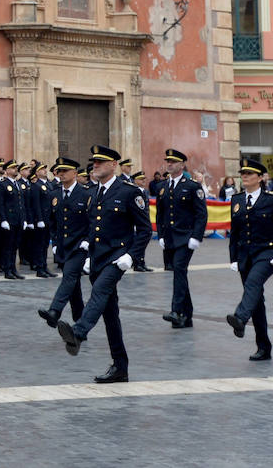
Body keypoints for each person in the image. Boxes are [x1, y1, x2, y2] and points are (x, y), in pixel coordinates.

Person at [54, 145, 151, 383]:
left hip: (116, 259)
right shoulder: (95, 192)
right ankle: (120, 367)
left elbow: (145, 229)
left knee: (99, 291)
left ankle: (78, 332)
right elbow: (94, 227)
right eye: (93, 162)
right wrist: (88, 254)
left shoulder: (129, 191)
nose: (94, 165)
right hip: (98, 259)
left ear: (113, 165)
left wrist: (130, 256)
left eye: (100, 162)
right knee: (110, 315)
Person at [225, 159, 273, 360]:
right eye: (242, 173)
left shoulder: (272, 199)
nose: (244, 176)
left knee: (253, 283)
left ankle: (240, 318)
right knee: (256, 300)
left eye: (249, 173)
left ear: (261, 178)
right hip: (245, 255)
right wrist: (233, 258)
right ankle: (264, 347)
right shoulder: (236, 200)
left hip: (267, 253)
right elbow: (235, 233)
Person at [154, 149, 207, 329]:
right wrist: (160, 235)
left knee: (179, 268)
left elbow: (201, 214)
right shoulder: (162, 187)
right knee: (179, 272)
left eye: (173, 162)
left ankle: (176, 310)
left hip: (186, 237)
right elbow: (160, 214)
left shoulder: (192, 186)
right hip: (169, 238)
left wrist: (196, 237)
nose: (169, 164)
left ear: (182, 165)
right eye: (167, 161)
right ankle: (187, 316)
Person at [37, 157, 91, 328]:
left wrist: (88, 241)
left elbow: (94, 221)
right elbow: (52, 221)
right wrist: (54, 242)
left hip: (79, 247)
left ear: (75, 173)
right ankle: (80, 322)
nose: (61, 174)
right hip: (62, 246)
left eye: (65, 171)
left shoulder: (86, 194)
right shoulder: (54, 194)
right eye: (59, 171)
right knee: (73, 286)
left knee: (69, 276)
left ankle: (54, 311)